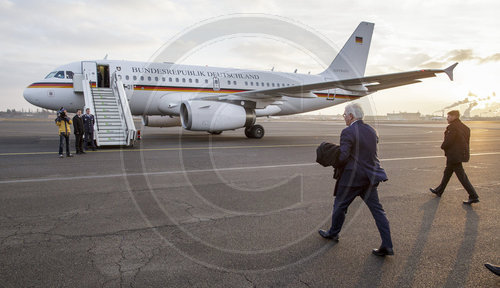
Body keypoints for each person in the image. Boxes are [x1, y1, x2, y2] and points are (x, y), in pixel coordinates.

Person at [318, 103, 394, 256]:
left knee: (339, 205)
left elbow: (343, 156)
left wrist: (332, 157)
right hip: (370, 177)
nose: (344, 117)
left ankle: (333, 233)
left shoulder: (348, 131)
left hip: (352, 179)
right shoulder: (372, 130)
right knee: (378, 211)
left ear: (351, 116)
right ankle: (387, 244)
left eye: (345, 115)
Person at [429, 110, 479, 205]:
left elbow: (449, 141)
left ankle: (473, 196)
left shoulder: (453, 127)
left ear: (455, 116)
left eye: (449, 116)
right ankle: (439, 190)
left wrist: (443, 146)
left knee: (462, 177)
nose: (447, 118)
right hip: (459, 154)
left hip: (454, 155)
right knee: (447, 173)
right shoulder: (465, 127)